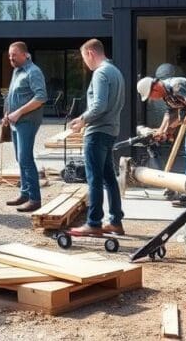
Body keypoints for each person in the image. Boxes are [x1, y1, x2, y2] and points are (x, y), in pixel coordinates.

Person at [68, 39, 126, 236]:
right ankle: (116, 221)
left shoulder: (100, 73)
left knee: (94, 179)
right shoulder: (116, 72)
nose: (85, 63)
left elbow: (99, 105)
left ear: (90, 53)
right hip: (111, 131)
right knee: (110, 178)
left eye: (84, 58)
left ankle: (93, 223)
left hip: (97, 132)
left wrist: (82, 120)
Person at [136, 76, 186, 194]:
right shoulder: (166, 95)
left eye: (150, 96)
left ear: (155, 88)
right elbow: (169, 113)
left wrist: (184, 122)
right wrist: (162, 130)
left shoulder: (176, 86)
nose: (153, 99)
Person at [3, 41, 47, 212]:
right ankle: (25, 193)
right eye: (9, 55)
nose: (11, 58)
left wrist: (19, 112)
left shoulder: (33, 72)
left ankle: (35, 199)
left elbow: (41, 97)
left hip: (27, 122)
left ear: (25, 55)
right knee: (19, 158)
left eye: (14, 54)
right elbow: (11, 95)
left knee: (26, 158)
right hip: (15, 122)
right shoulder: (16, 71)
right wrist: (6, 115)